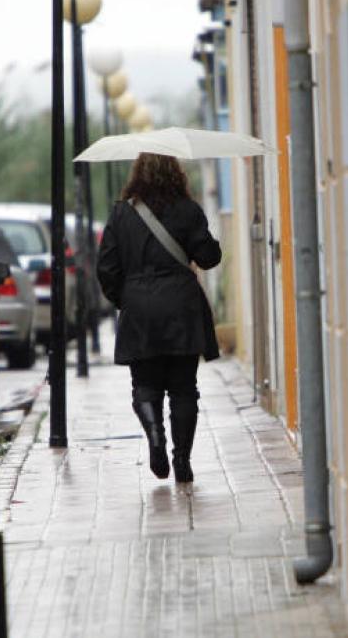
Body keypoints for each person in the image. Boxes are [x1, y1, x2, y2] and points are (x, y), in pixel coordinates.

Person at [97, 153, 222, 483]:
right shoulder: (187, 209)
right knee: (184, 388)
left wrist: (127, 299)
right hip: (182, 307)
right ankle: (182, 460)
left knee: (145, 385)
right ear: (175, 173)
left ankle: (155, 438)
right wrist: (209, 242)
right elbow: (208, 259)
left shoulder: (121, 213)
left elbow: (106, 269)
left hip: (139, 309)